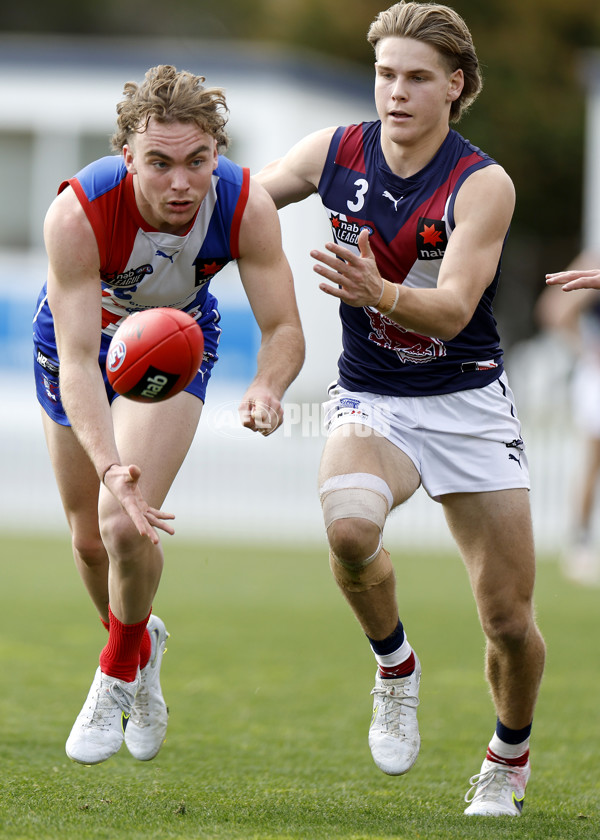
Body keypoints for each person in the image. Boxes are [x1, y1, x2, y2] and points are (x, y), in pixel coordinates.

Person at [256, 1, 545, 817]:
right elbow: (245, 203)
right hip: (374, 395)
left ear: (454, 87)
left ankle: (507, 756)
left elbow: (453, 307)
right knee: (349, 526)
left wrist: (376, 289)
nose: (397, 91)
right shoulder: (336, 152)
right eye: (386, 73)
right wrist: (158, 207)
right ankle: (395, 668)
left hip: (468, 405)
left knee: (509, 623)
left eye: (418, 77)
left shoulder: (482, 184)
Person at [32, 64, 305, 766]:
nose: (180, 183)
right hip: (80, 348)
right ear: (127, 157)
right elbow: (78, 358)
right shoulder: (78, 214)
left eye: (197, 162)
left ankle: (116, 671)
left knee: (124, 522)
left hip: (177, 343)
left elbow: (284, 330)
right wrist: (107, 465)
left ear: (218, 152)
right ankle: (139, 640)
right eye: (159, 163)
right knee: (90, 538)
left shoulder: (244, 205)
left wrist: (268, 387)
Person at [538, 252, 600, 585]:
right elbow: (556, 310)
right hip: (597, 377)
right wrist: (586, 348)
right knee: (594, 460)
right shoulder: (595, 259)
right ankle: (580, 542)